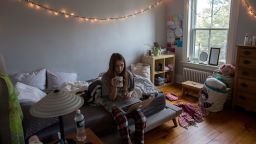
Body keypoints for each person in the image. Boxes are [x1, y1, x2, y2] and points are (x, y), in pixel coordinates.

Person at [101, 53, 146, 144]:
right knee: (122, 121)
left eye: (122, 65)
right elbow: (111, 98)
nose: (120, 68)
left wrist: (129, 93)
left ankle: (139, 141)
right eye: (116, 66)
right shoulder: (105, 77)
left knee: (141, 118)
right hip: (113, 103)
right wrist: (114, 87)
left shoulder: (128, 74)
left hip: (127, 101)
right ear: (112, 66)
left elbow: (132, 89)